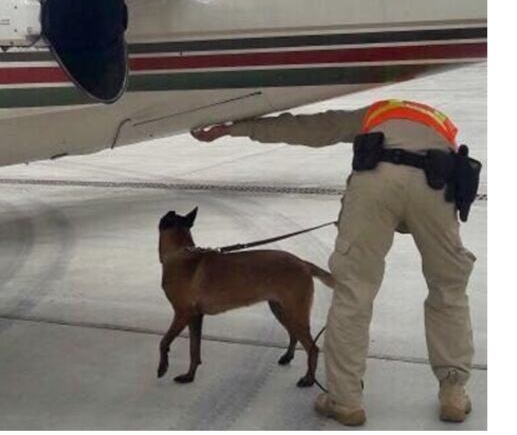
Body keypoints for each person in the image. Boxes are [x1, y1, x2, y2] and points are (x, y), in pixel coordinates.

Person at [191, 100, 477, 426]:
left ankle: (345, 401)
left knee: (353, 293)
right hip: (437, 181)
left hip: (376, 179)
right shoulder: (443, 127)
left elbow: (310, 128)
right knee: (449, 290)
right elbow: (420, 197)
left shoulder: (378, 112)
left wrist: (233, 129)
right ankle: (454, 394)